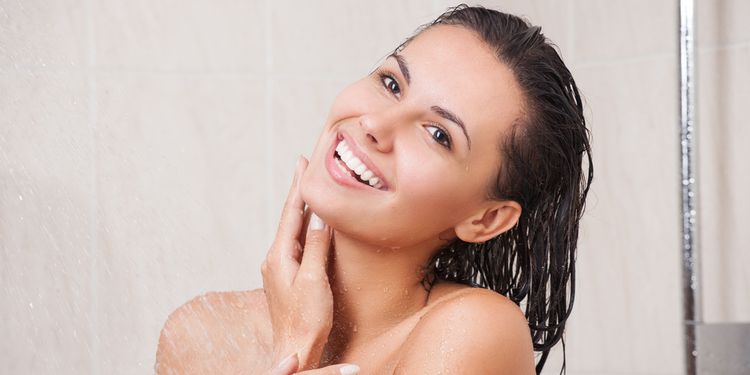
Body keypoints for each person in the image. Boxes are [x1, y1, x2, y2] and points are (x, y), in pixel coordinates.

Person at [155, 4, 592, 374]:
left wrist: (293, 348)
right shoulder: (200, 335)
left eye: (438, 134)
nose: (375, 125)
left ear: (486, 219)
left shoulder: (476, 332)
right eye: (391, 84)